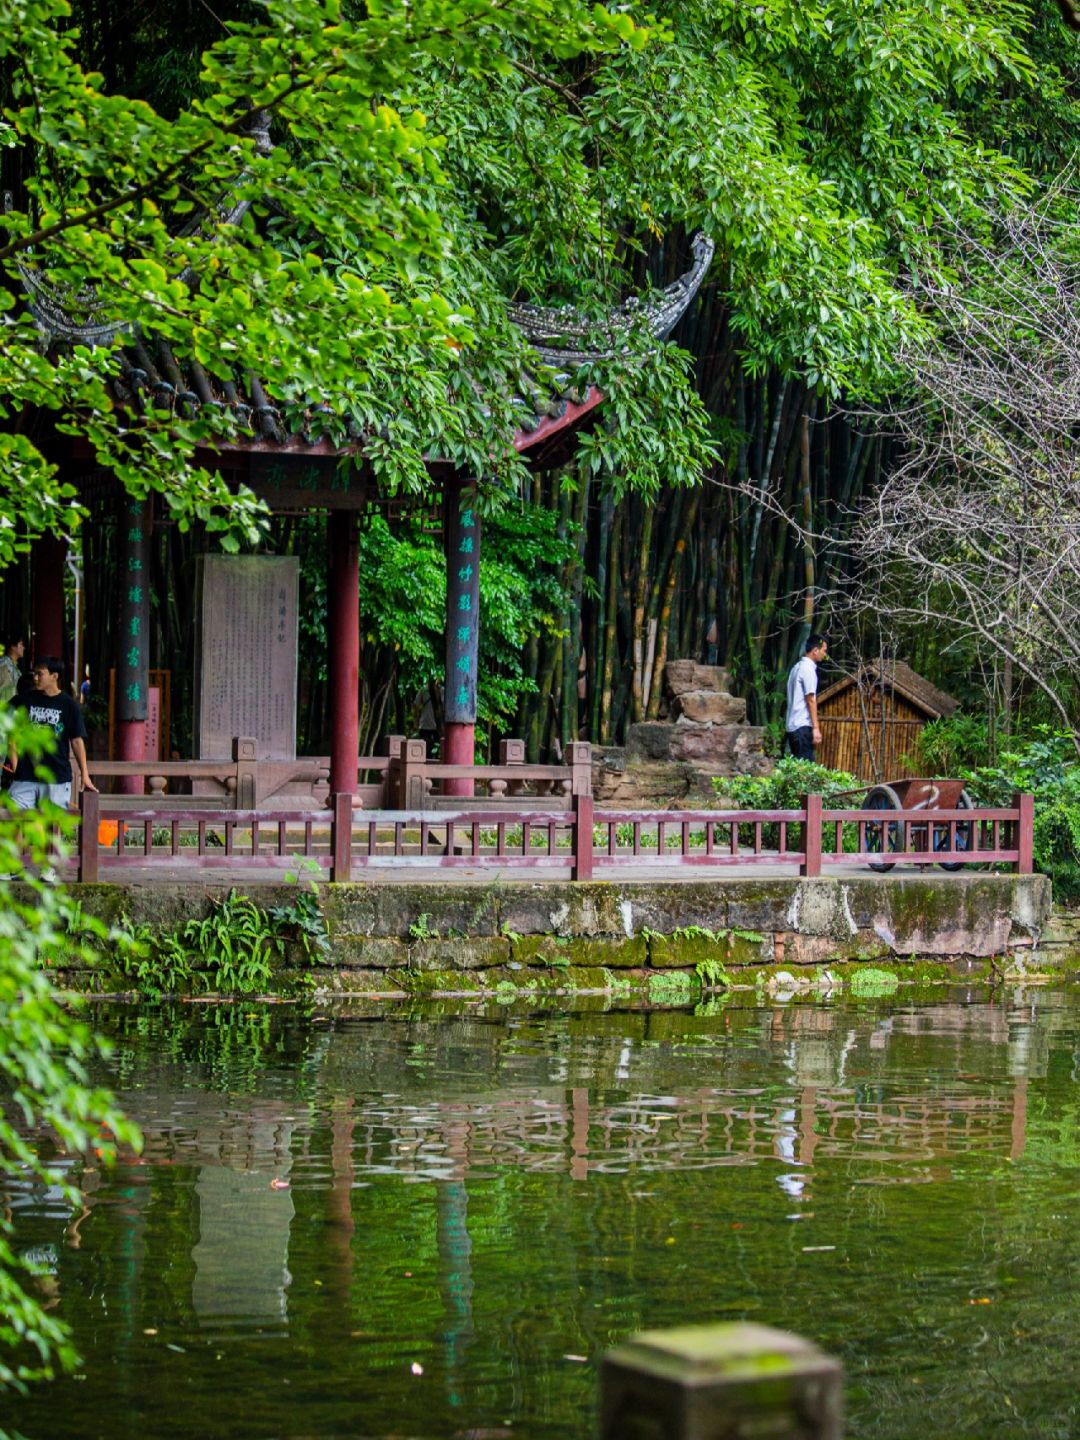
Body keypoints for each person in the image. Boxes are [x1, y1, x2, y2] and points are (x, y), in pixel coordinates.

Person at [6, 656, 97, 810]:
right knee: (14, 818)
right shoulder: (24, 700)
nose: (35, 678)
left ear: (54, 676)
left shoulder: (69, 705)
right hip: (25, 775)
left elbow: (76, 741)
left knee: (51, 828)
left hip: (57, 777)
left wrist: (85, 775)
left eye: (39, 674)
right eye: (34, 673)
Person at [785, 633, 828, 761]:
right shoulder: (807, 669)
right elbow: (810, 700)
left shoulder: (796, 667)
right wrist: (816, 728)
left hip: (792, 724)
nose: (824, 654)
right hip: (802, 725)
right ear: (815, 651)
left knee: (798, 769)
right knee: (806, 771)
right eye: (823, 650)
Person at [0, 634, 25, 704]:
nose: (23, 648)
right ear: (13, 647)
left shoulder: (15, 668)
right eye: (21, 644)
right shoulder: (3, 665)